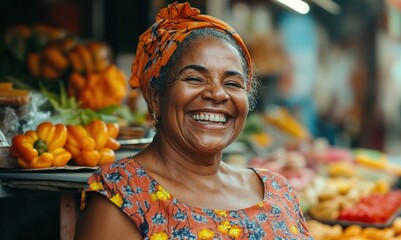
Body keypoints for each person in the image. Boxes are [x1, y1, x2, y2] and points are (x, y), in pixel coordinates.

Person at [75, 2, 312, 239]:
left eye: (232, 83)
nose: (217, 94)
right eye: (194, 78)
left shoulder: (278, 190)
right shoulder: (122, 193)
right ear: (155, 97)